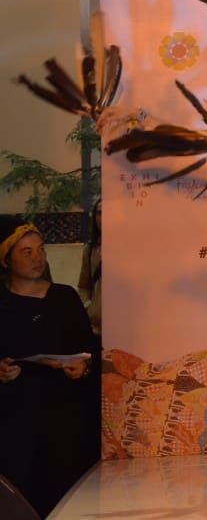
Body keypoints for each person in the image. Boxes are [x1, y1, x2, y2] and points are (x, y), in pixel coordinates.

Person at [0, 217, 101, 518]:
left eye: (41, 249)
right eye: (27, 252)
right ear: (6, 260)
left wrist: (84, 367)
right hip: (14, 419)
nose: (38, 258)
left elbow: (90, 351)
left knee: (64, 495)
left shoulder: (64, 297)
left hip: (62, 416)